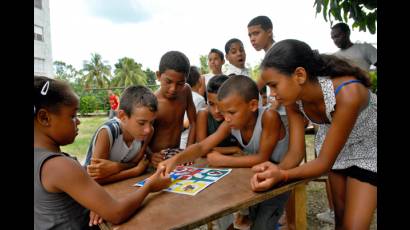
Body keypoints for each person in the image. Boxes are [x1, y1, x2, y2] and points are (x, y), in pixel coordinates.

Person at [251, 39, 377, 229]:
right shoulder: (293, 100)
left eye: (274, 85)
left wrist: (283, 175)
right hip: (337, 149)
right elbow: (295, 153)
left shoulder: (348, 93)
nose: (273, 94)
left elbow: (323, 163)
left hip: (370, 149)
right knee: (340, 220)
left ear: (299, 75)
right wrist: (273, 172)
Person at [159, 75, 305, 230]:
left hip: (280, 176)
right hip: (258, 176)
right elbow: (202, 147)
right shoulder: (232, 123)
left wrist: (222, 161)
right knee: (255, 219)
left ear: (253, 105)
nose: (226, 118)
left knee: (263, 224)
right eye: (223, 113)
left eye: (231, 112)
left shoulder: (269, 117)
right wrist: (175, 160)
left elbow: (262, 157)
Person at [34, 76, 171, 229]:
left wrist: (96, 202)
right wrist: (150, 186)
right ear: (44, 118)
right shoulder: (58, 166)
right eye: (73, 116)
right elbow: (116, 214)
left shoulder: (44, 159)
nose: (78, 121)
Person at [83, 85, 156, 185]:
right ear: (122, 116)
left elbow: (136, 163)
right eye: (141, 123)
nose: (147, 129)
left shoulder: (148, 133)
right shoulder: (108, 132)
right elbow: (94, 179)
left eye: (151, 122)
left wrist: (116, 167)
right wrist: (134, 171)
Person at [196, 74, 241, 230]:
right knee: (219, 198)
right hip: (215, 167)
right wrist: (233, 149)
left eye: (219, 105)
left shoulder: (236, 116)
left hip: (236, 167)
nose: (216, 111)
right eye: (211, 104)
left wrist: (214, 150)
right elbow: (202, 149)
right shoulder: (203, 114)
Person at [148, 51, 197, 169]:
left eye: (180, 83)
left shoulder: (186, 91)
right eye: (168, 82)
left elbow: (193, 122)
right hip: (157, 157)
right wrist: (150, 155)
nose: (173, 89)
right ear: (159, 76)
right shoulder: (152, 102)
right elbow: (140, 136)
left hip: (176, 154)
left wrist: (188, 151)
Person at [180, 66, 206, 149]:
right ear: (199, 80)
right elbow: (191, 124)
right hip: (187, 143)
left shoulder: (181, 95)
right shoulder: (199, 99)